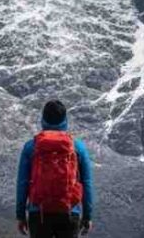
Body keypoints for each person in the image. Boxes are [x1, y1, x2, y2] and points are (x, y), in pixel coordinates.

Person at [16, 100, 94, 238]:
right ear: (65, 120)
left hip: (38, 212)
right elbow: (86, 183)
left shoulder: (31, 146)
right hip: (70, 211)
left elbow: (22, 183)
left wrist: (20, 215)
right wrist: (87, 216)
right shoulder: (77, 147)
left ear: (43, 119)